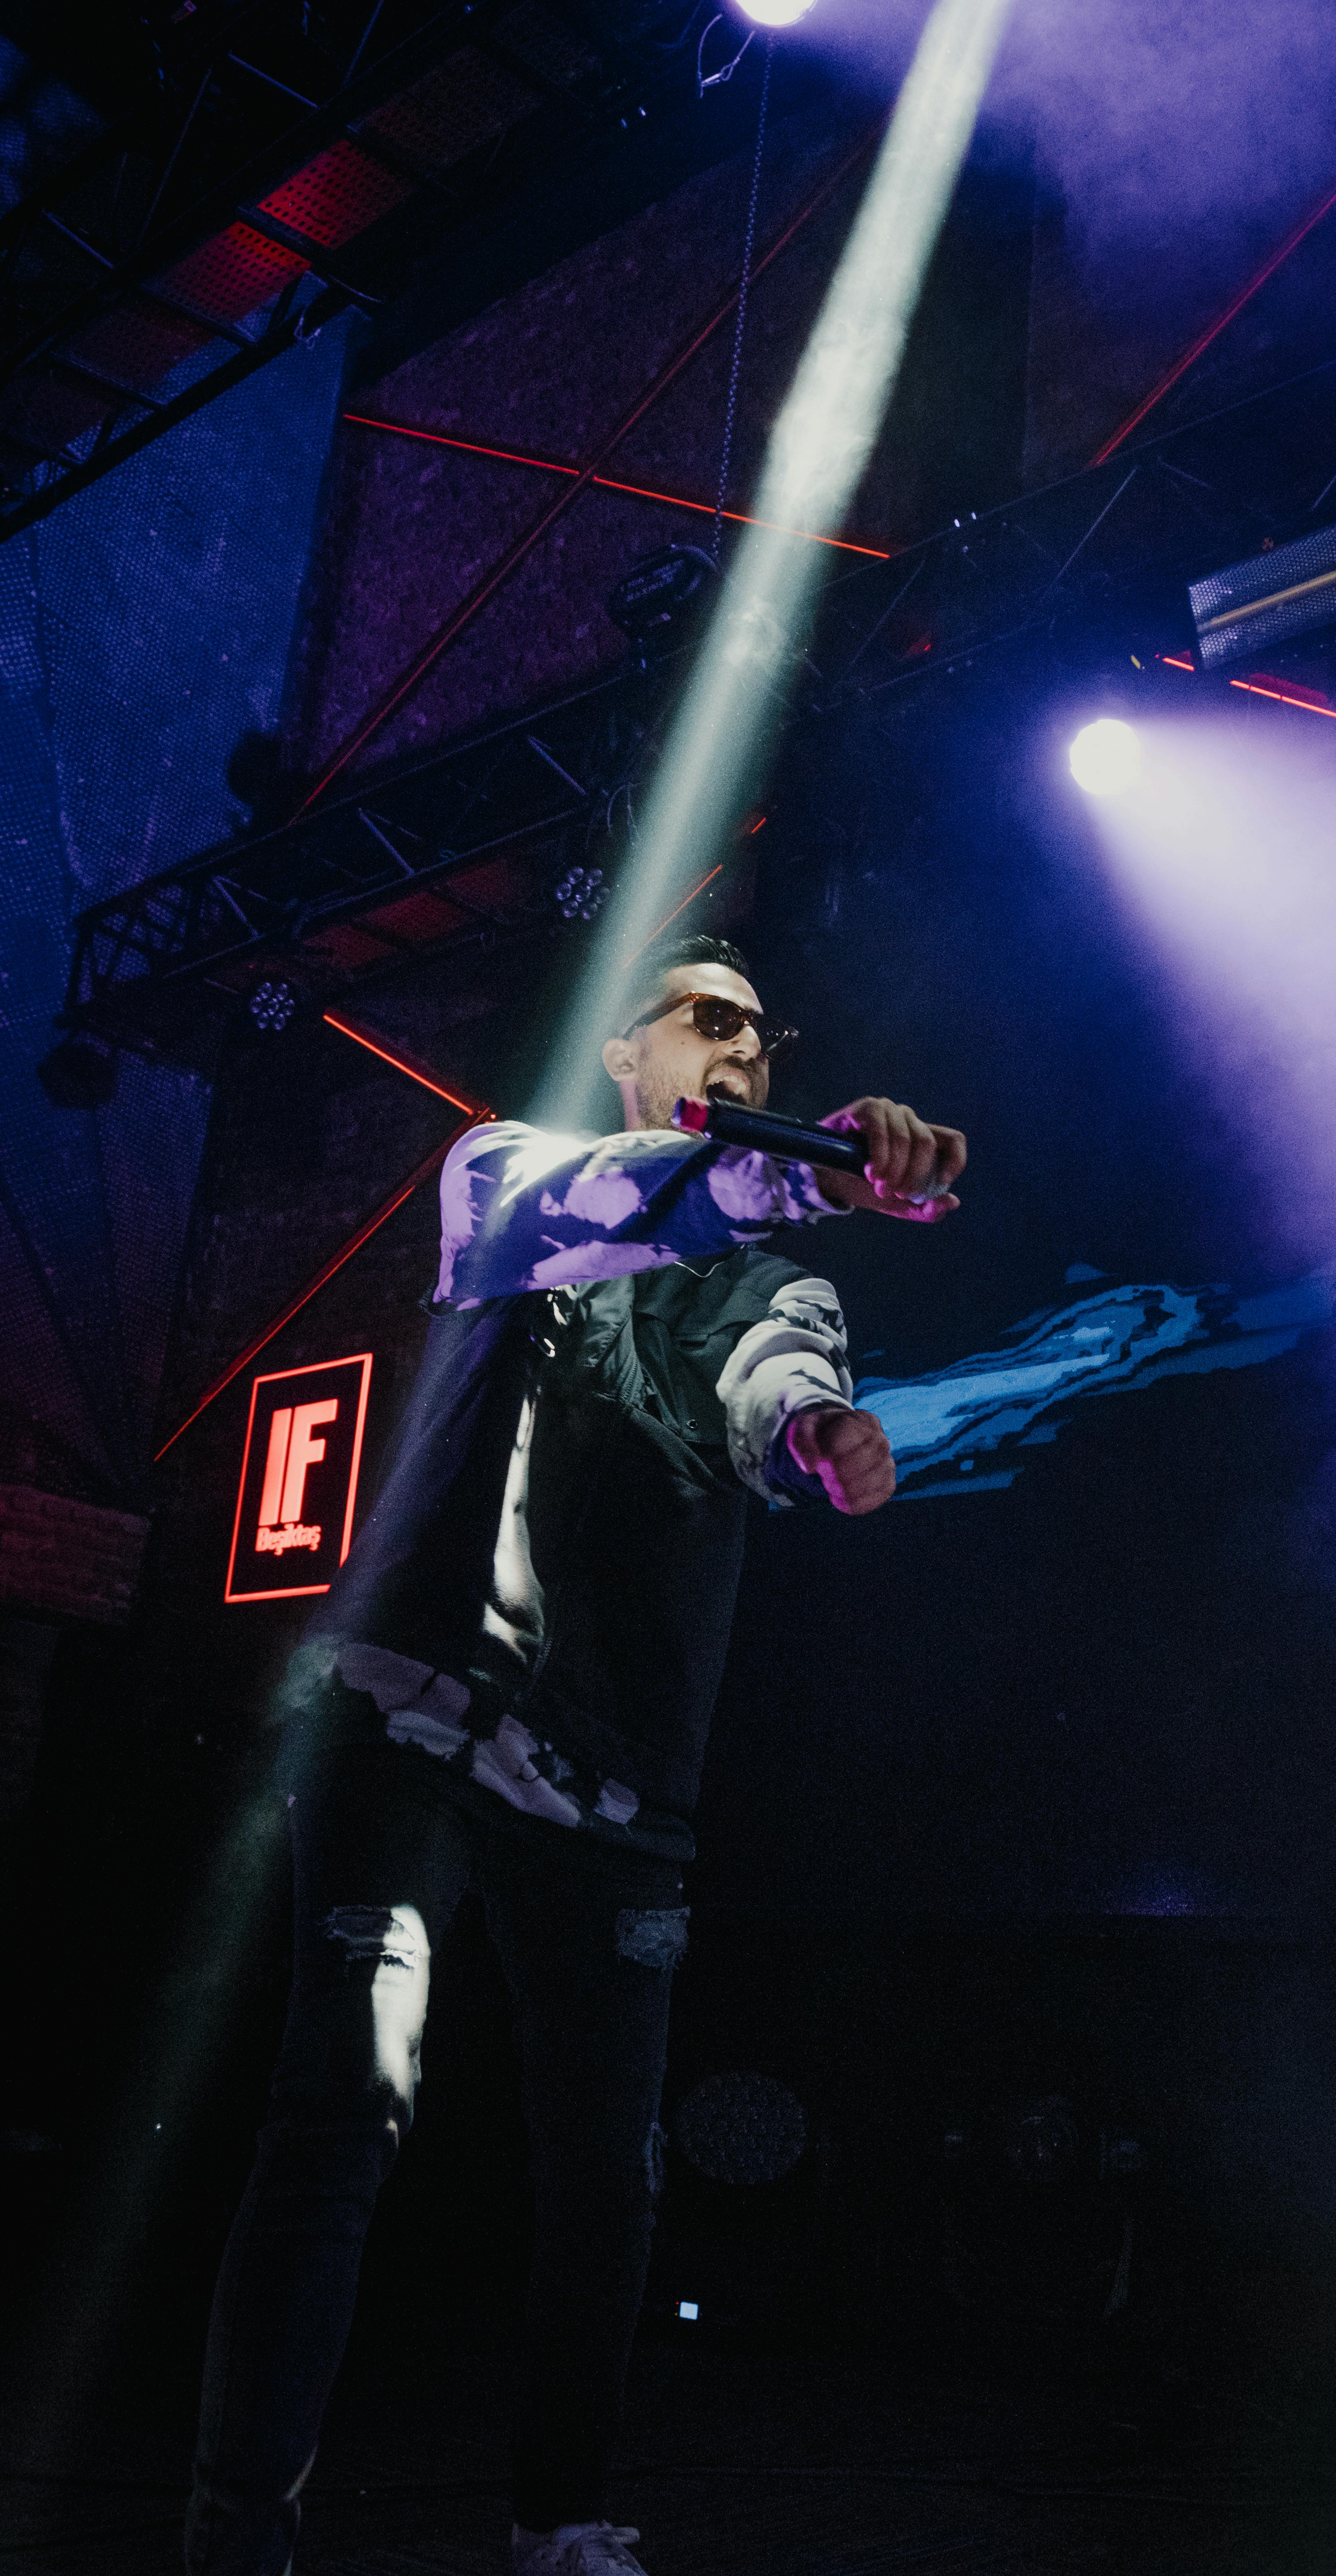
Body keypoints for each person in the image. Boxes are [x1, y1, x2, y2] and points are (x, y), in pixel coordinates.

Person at [185, 937, 965, 2576]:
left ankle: (559, 2523)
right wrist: (806, 1175)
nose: (738, 1055)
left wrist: (824, 1439)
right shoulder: (508, 1175)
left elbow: (777, 1377)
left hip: (613, 1786)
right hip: (414, 1724)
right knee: (342, 2110)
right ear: (628, 1048)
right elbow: (621, 1206)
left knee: (608, 2180)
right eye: (706, 1021)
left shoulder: (775, 1271)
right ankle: (238, 2533)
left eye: (759, 1037)